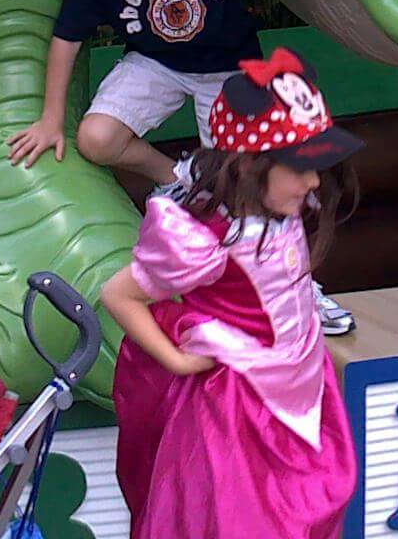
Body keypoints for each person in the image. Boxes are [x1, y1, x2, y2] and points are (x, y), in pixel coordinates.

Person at [7, 0, 354, 334]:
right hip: (158, 62)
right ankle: (183, 178)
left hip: (230, 68)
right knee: (97, 139)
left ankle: (301, 290)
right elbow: (67, 37)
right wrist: (49, 118)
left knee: (247, 189)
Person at [100, 47, 361, 539]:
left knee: (302, 511)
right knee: (241, 521)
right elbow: (119, 295)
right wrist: (176, 361)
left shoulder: (285, 205)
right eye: (300, 166)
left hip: (299, 387)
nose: (313, 181)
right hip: (234, 413)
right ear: (246, 167)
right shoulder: (205, 239)